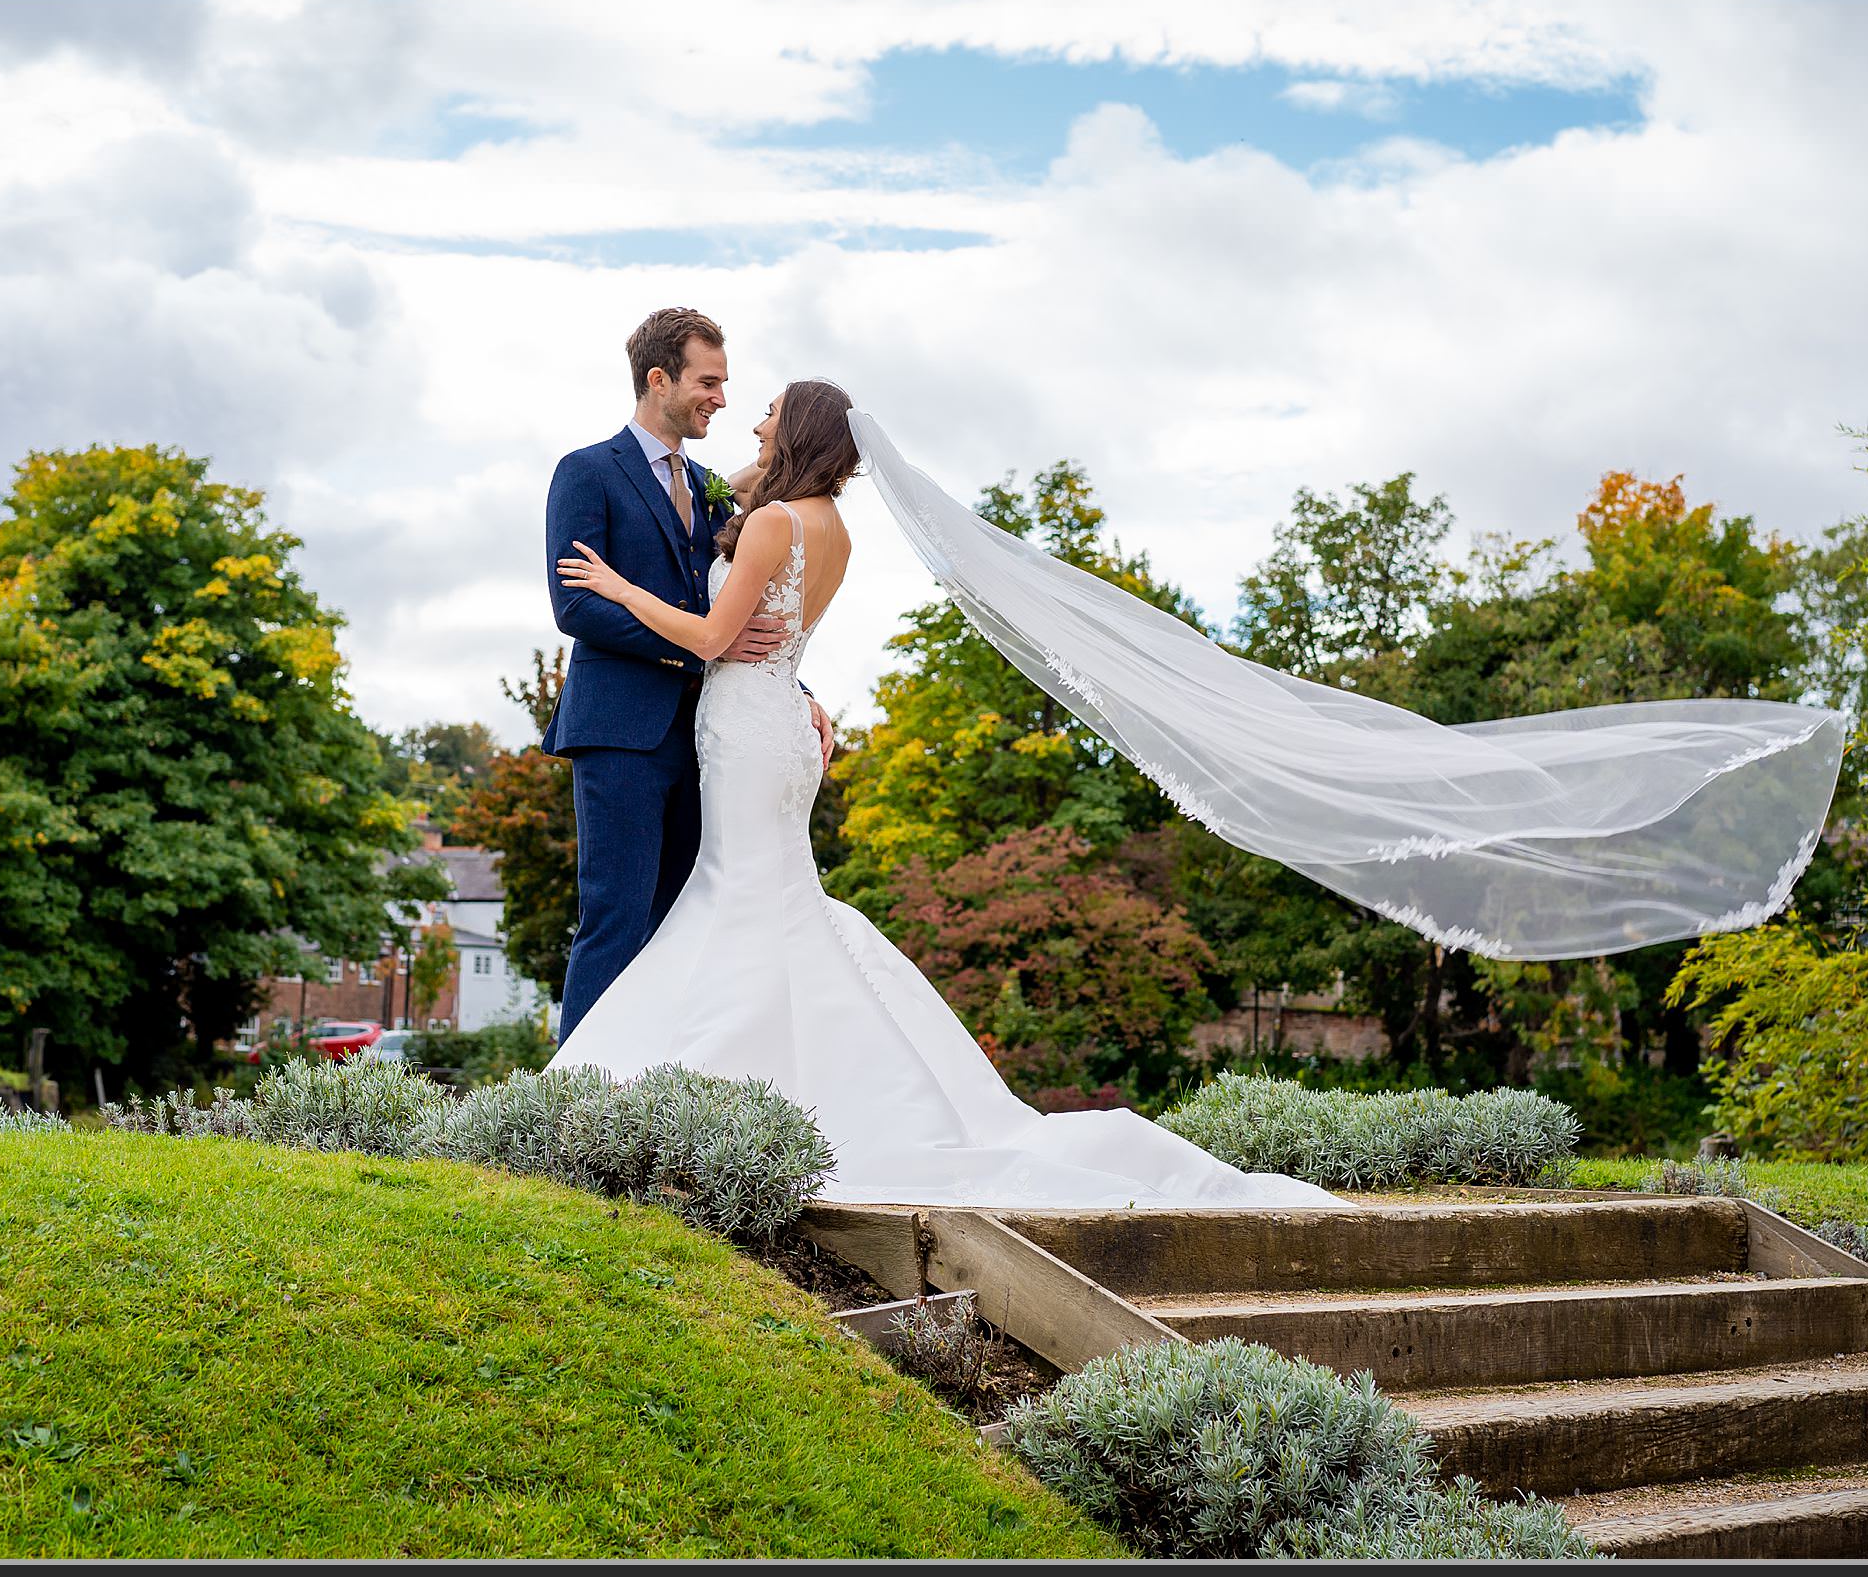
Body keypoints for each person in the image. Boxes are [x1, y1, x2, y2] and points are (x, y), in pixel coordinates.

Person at [550, 378, 1345, 1210]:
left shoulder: (776, 523)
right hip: (780, 722)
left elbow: (716, 637)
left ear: (800, 431)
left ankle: (699, 1094)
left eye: (771, 413)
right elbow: (768, 593)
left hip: (746, 728)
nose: (753, 419)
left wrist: (618, 587)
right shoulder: (832, 530)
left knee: (738, 897)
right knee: (774, 899)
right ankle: (772, 1088)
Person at [541, 308, 832, 1044]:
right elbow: (575, 605)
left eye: (728, 384)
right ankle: (571, 1107)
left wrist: (792, 689)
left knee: (683, 924)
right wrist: (698, 652)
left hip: (707, 742)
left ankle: (656, 1095)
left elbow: (739, 607)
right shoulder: (585, 472)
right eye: (709, 381)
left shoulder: (708, 488)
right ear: (659, 379)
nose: (722, 399)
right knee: (614, 915)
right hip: (620, 731)